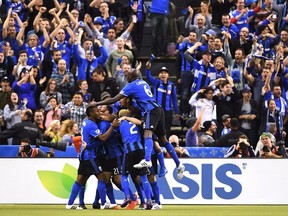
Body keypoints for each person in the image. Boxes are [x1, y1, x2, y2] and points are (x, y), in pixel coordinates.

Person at [94, 69, 185, 179]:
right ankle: (178, 164)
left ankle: (147, 160)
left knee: (148, 134)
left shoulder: (131, 86)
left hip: (150, 111)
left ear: (130, 77)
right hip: (158, 109)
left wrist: (97, 103)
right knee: (163, 140)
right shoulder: (144, 82)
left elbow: (113, 99)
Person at [66, 105, 119, 210]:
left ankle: (70, 204)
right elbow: (102, 138)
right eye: (96, 111)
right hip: (90, 156)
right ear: (91, 113)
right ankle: (103, 203)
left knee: (80, 179)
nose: (98, 112)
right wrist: (112, 127)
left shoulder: (87, 121)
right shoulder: (91, 125)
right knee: (102, 177)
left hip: (83, 155)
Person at [146, 62, 180, 138]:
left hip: (168, 111)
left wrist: (176, 112)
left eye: (165, 73)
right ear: (159, 75)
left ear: (168, 75)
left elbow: (174, 99)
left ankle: (165, 144)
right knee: (156, 127)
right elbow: (148, 76)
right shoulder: (156, 83)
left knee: (167, 128)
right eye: (161, 73)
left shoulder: (171, 85)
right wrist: (148, 69)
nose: (163, 74)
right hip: (157, 110)